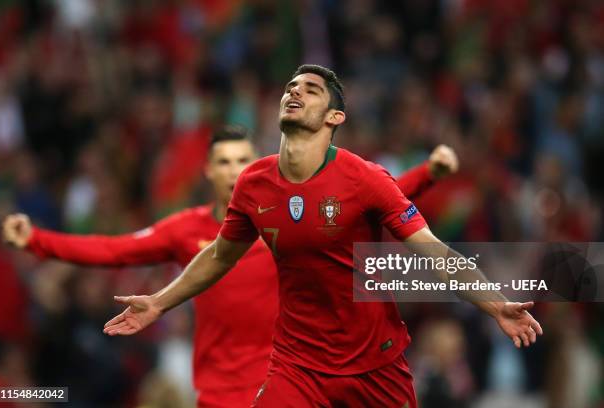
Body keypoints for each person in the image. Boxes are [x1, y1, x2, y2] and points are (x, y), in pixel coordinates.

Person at [99, 65, 543, 406]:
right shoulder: (254, 184)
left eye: (311, 90)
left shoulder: (365, 179)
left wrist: (495, 304)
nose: (295, 91)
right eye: (292, 87)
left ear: (335, 116)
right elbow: (219, 255)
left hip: (374, 363)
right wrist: (159, 301)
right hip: (297, 364)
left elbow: (433, 251)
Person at [2, 125, 458, 407]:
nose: (234, 169)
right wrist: (38, 240)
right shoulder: (187, 231)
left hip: (292, 385)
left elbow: (373, 199)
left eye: (242, 159)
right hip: (220, 395)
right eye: (223, 161)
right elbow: (113, 250)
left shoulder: (284, 217)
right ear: (208, 171)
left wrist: (429, 174)